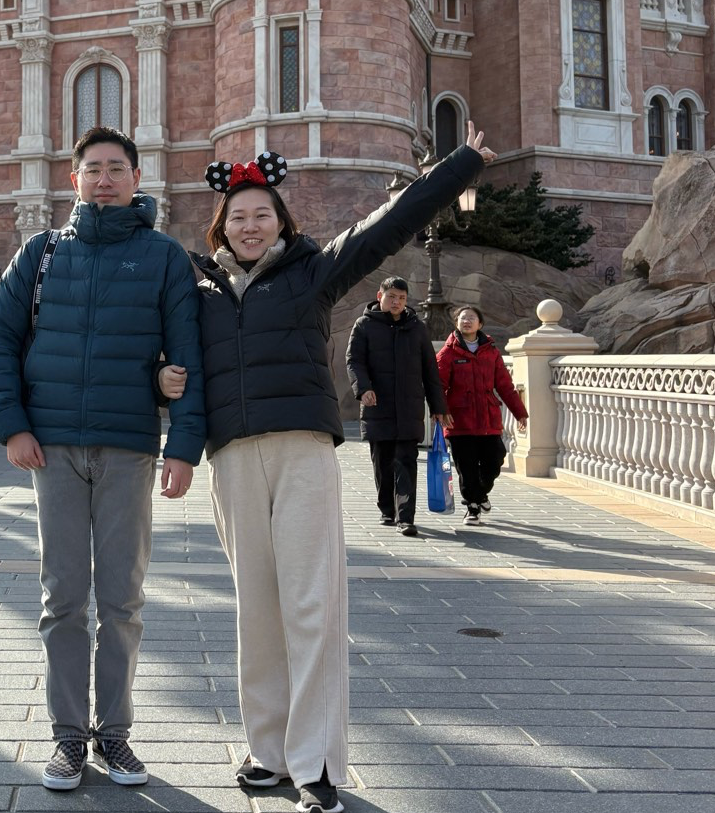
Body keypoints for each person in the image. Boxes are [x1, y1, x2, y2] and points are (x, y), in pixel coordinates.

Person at [159, 123, 494, 813]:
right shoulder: (201, 294)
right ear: (221, 228)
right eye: (239, 219)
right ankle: (268, 749)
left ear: (282, 221)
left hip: (304, 451)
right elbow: (167, 363)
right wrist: (159, 381)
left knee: (311, 605)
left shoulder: (313, 271)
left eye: (263, 216)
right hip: (233, 458)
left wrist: (460, 165)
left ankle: (314, 763)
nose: (251, 228)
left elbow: (386, 226)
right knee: (256, 608)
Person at [0, 126, 206, 792]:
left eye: (116, 168)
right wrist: (11, 428)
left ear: (137, 179)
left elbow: (185, 356)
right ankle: (69, 739)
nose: (104, 179)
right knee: (62, 599)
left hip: (129, 450)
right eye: (92, 169)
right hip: (51, 450)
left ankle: (117, 735)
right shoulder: (41, 254)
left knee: (124, 600)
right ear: (73, 180)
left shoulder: (163, 257)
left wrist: (183, 448)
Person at [346, 277, 452, 538]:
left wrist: (438, 405)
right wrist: (364, 388)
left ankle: (406, 517)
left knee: (406, 461)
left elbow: (430, 369)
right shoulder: (364, 325)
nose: (397, 302)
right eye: (392, 296)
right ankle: (386, 508)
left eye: (402, 298)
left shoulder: (416, 327)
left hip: (409, 407)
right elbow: (354, 361)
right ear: (379, 295)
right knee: (382, 463)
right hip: (377, 406)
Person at [436, 304, 528, 525]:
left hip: (488, 419)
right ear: (456, 323)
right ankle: (473, 508)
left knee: (495, 459)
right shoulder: (448, 353)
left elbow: (505, 386)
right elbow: (437, 385)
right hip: (459, 421)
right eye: (462, 318)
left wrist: (520, 413)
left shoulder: (492, 353)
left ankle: (480, 494)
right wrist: (442, 410)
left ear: (480, 324)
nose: (466, 321)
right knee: (466, 468)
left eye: (471, 318)